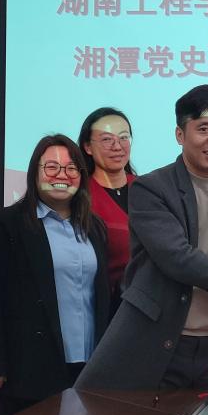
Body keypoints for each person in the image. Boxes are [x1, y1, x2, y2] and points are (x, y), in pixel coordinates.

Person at [76, 85, 208, 391]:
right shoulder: (151, 189)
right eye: (203, 128)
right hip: (159, 344)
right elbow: (178, 259)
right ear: (180, 134)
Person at [0, 135, 112, 415]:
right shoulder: (6, 223)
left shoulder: (94, 227)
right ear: (34, 172)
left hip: (89, 364)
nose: (62, 175)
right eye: (52, 167)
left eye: (71, 168)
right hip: (28, 368)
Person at [78, 107, 135, 299]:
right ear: (87, 146)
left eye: (124, 137)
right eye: (106, 139)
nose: (117, 146)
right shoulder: (80, 195)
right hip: (103, 302)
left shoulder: (149, 189)